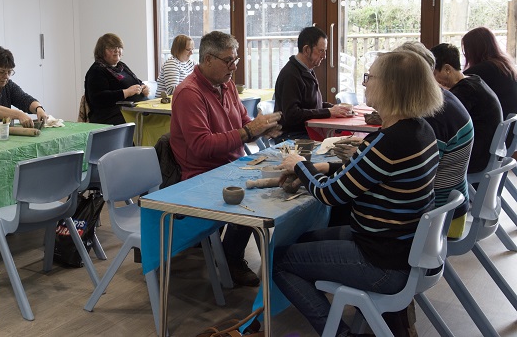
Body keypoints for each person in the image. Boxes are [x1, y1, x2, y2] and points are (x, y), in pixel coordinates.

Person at [273, 50, 442, 336]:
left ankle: (340, 332)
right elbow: (367, 170)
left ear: (390, 86)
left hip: (383, 261)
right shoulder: (420, 130)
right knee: (303, 239)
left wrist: (301, 166)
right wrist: (321, 166)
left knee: (279, 262)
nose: (365, 84)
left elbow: (330, 194)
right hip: (400, 247)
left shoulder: (387, 142)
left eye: (369, 77)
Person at [170, 31, 283, 287]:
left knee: (273, 181)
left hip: (230, 165)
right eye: (228, 61)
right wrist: (248, 132)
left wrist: (262, 128)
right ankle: (231, 258)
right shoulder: (189, 93)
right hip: (201, 173)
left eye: (236, 60)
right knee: (250, 195)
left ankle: (274, 254)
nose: (233, 67)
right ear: (208, 60)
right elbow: (201, 146)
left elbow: (244, 122)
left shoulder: (227, 84)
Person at [395, 42, 473, 238]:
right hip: (452, 207)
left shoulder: (432, 114)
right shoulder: (444, 97)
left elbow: (413, 174)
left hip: (440, 219)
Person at [431, 43, 502, 174]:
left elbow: (442, 119)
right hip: (490, 152)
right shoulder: (474, 80)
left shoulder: (465, 91)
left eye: (434, 73)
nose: (434, 80)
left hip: (476, 158)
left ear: (447, 69)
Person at [273, 26, 351, 142]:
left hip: (306, 132)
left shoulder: (307, 69)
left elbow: (311, 106)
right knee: (339, 147)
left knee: (347, 140)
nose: (324, 56)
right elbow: (292, 114)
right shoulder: (290, 74)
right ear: (306, 50)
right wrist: (328, 112)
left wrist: (334, 108)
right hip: (292, 137)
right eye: (321, 51)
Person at [84, 33, 149, 125]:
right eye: (111, 48)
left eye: (119, 47)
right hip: (110, 117)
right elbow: (98, 98)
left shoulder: (122, 66)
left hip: (132, 112)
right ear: (101, 51)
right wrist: (126, 92)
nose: (117, 50)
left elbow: (136, 81)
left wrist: (143, 87)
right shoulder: (97, 70)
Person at [462, 26, 517, 118]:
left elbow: (458, 82)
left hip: (495, 126)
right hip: (508, 127)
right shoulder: (505, 65)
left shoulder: (483, 69)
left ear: (472, 50)